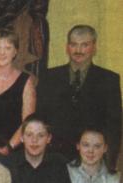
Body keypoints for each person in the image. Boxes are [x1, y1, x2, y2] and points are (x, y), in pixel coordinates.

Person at [37, 24, 121, 169]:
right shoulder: (48, 77)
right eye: (74, 44)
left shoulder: (109, 79)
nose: (78, 50)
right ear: (67, 47)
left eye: (85, 45)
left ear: (94, 48)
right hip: (54, 159)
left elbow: (114, 125)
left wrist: (109, 163)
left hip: (93, 160)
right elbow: (40, 120)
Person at [0, 28, 36, 156]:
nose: (2, 53)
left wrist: (8, 148)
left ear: (15, 52)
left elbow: (27, 123)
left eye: (8, 48)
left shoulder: (26, 81)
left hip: (13, 151)